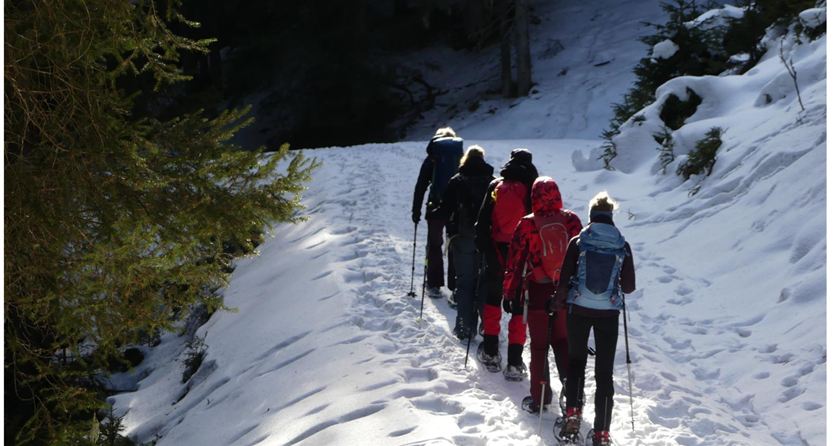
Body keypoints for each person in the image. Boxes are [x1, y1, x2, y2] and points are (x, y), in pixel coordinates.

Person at [554, 192, 636, 446]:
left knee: (576, 362)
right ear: (611, 215)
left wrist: (557, 302)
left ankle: (572, 417)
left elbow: (564, 280)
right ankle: (601, 433)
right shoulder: (622, 244)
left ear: (591, 215)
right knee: (604, 372)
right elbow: (629, 287)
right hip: (608, 313)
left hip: (578, 308)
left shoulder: (579, 241)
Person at [502, 176, 581, 413]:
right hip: (565, 292)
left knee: (539, 347)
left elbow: (515, 261)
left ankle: (540, 397)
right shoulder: (571, 220)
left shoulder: (527, 224)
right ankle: (572, 397)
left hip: (538, 292)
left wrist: (509, 291)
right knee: (563, 342)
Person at [474, 148, 538, 376]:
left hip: (496, 252)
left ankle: (490, 351)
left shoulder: (496, 185)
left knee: (493, 299)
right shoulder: (534, 188)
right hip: (523, 256)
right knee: (520, 306)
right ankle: (514, 362)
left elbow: (482, 223)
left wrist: (485, 249)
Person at [440, 146, 495, 340]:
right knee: (484, 282)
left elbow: (445, 210)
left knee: (465, 282)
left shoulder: (457, 180)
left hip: (463, 238)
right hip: (486, 240)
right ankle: (487, 325)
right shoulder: (493, 182)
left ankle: (464, 327)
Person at [412, 127, 464, 298]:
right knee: (454, 244)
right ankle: (455, 286)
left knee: (434, 245)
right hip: (456, 208)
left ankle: (434, 284)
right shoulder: (459, 156)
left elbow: (421, 185)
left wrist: (416, 210)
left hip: (435, 207)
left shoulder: (432, 158)